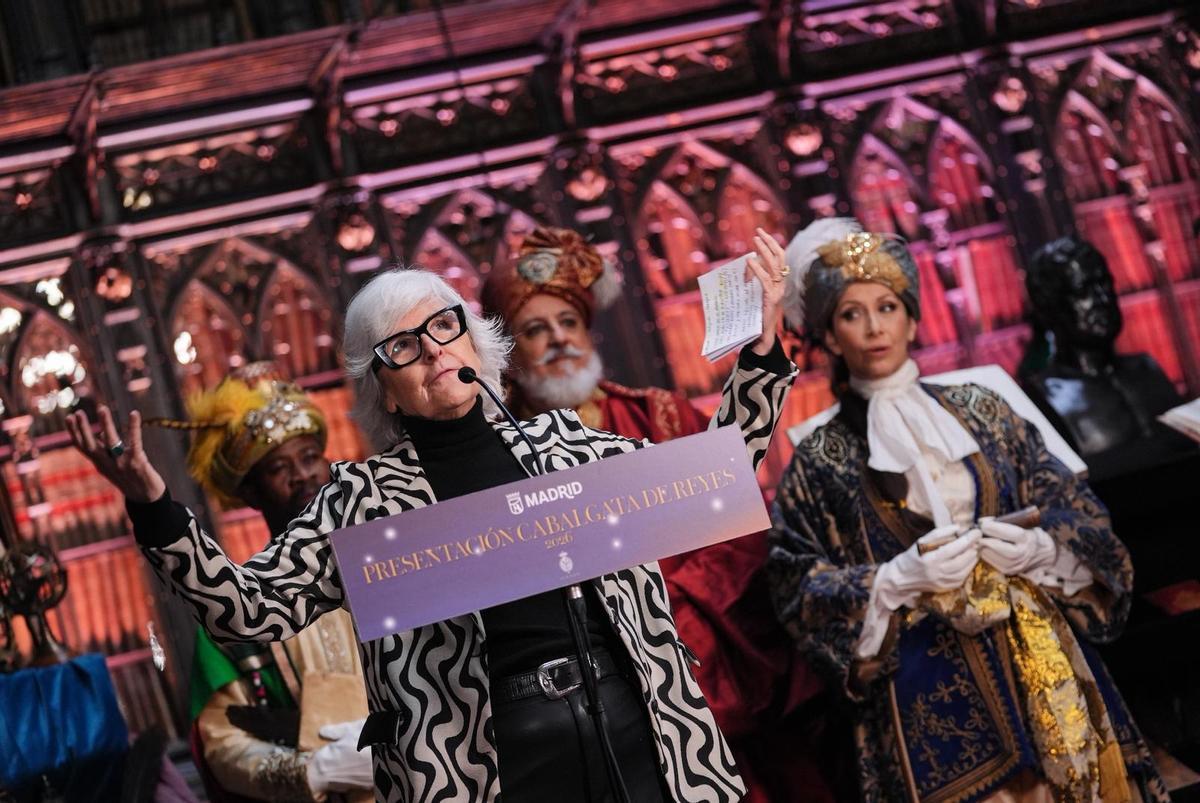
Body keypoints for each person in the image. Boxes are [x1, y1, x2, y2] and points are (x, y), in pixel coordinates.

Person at [66, 254, 797, 803]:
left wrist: (760, 352)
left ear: (477, 341)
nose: (433, 349)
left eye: (444, 327)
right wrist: (154, 503)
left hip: (646, 733)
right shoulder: (360, 498)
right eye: (402, 346)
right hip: (489, 762)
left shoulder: (572, 447)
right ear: (382, 383)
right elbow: (246, 616)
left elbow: (713, 474)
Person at [767, 218, 1167, 802]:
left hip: (1043, 660)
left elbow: (1073, 504)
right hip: (922, 700)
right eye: (852, 314)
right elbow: (794, 585)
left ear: (912, 316)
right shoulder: (819, 459)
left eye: (887, 307)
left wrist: (1045, 549)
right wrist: (891, 582)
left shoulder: (983, 409)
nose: (874, 328)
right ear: (829, 336)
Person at [481, 225, 831, 802]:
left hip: (697, 674)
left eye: (568, 323)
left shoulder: (661, 416)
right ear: (510, 357)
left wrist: (666, 622)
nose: (559, 340)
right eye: (535, 330)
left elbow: (732, 514)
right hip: (586, 709)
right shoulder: (497, 462)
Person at [151, 364, 372, 802]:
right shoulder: (238, 605)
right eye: (279, 467)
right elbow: (222, 741)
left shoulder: (386, 557)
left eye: (310, 457)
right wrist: (316, 770)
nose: (302, 475)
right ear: (251, 493)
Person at [1019, 235, 1193, 480]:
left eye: (1105, 284)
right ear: (1050, 307)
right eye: (1083, 290)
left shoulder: (1145, 367)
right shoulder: (1045, 396)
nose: (1102, 298)